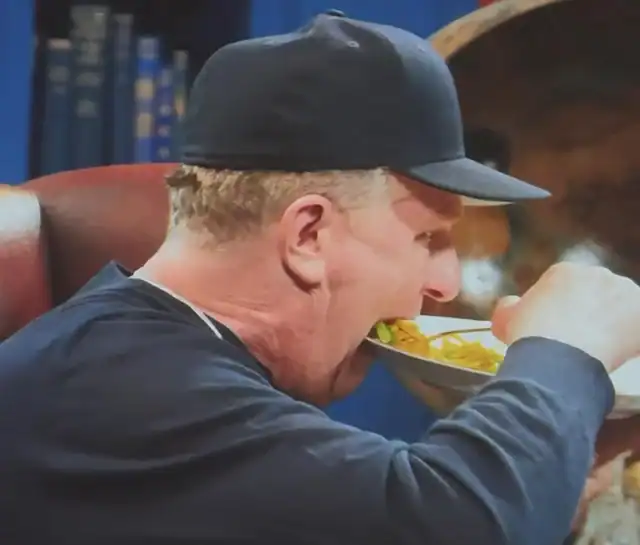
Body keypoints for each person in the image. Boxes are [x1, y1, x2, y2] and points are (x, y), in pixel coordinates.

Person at [0, 10, 639, 545]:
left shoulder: (159, 361)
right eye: (427, 239)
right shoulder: (125, 386)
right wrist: (564, 350)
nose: (445, 284)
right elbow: (457, 526)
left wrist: (554, 484)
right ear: (308, 235)